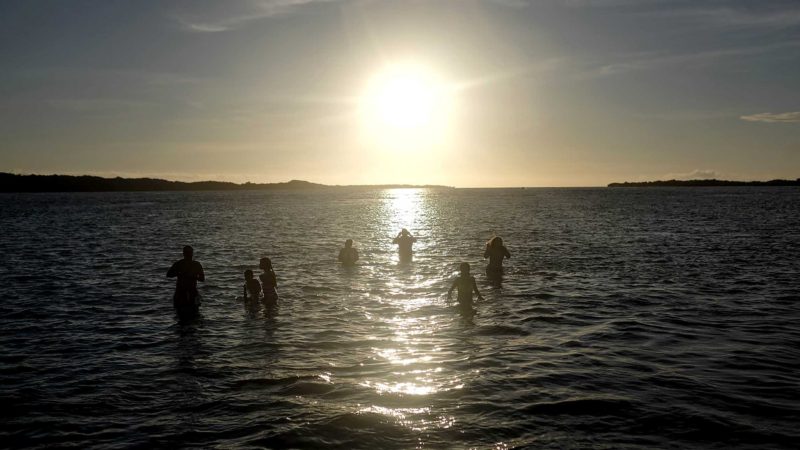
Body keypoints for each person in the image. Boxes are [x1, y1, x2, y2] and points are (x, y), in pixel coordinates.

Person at [167, 245, 205, 316]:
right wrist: (179, 273)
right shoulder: (179, 264)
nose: (188, 254)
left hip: (192, 293)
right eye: (187, 253)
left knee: (194, 316)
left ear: (192, 253)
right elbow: (168, 274)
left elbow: (202, 279)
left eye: (190, 252)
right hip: (180, 293)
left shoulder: (196, 265)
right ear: (183, 254)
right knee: (181, 316)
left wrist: (193, 277)